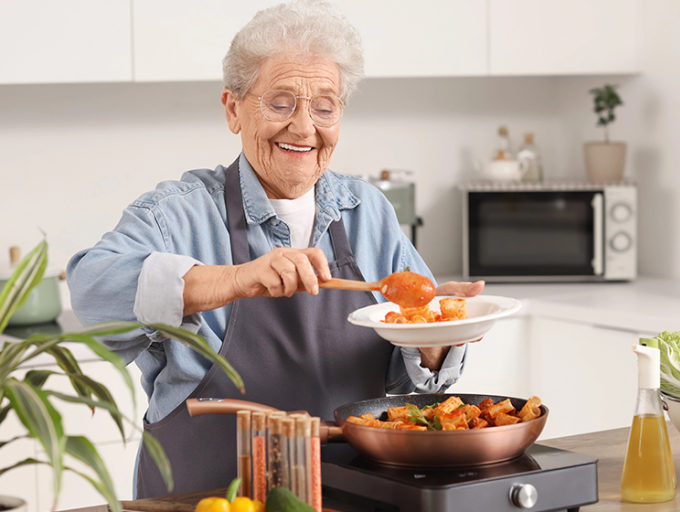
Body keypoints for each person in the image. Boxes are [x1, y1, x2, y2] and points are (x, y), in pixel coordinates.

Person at [67, 0, 484, 499]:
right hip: (205, 502)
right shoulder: (175, 215)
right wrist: (236, 279)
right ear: (233, 109)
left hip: (351, 499)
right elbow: (92, 296)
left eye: (324, 106)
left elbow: (408, 385)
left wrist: (437, 334)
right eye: (281, 102)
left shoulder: (368, 212)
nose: (305, 127)